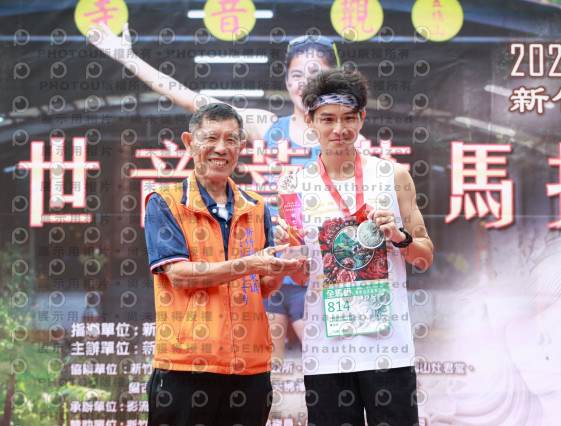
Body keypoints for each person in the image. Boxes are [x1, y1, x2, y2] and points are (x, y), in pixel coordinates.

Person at [89, 25, 344, 366]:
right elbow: (192, 100)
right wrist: (128, 58)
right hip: (265, 269)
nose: (303, 83)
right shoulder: (268, 126)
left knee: (328, 371)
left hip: (319, 273)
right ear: (286, 81)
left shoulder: (344, 138)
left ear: (331, 80)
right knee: (270, 372)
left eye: (314, 74)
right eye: (296, 75)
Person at [279, 69, 434, 425]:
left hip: (389, 351)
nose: (340, 128)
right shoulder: (293, 185)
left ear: (362, 118)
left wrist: (399, 237)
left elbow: (424, 256)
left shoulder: (393, 176)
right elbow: (300, 276)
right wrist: (288, 256)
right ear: (310, 122)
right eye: (328, 119)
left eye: (349, 118)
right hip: (325, 353)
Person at [143, 103, 307, 426]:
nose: (221, 148)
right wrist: (250, 264)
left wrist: (280, 270)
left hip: (250, 368)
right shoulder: (165, 202)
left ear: (241, 147)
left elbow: (262, 287)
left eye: (231, 140)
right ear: (189, 142)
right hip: (186, 366)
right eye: (211, 138)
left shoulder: (256, 207)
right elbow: (180, 276)